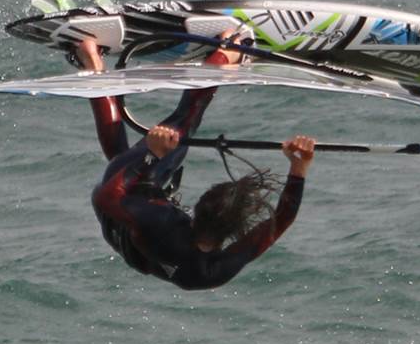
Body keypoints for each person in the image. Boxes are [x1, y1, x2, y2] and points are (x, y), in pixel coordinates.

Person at [71, 33, 316, 291]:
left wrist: (152, 155)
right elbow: (282, 220)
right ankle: (91, 61)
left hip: (115, 205)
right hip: (130, 239)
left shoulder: (161, 221)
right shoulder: (213, 271)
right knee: (121, 156)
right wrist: (298, 169)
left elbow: (107, 198)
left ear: (196, 211)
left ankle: (227, 51)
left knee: (185, 121)